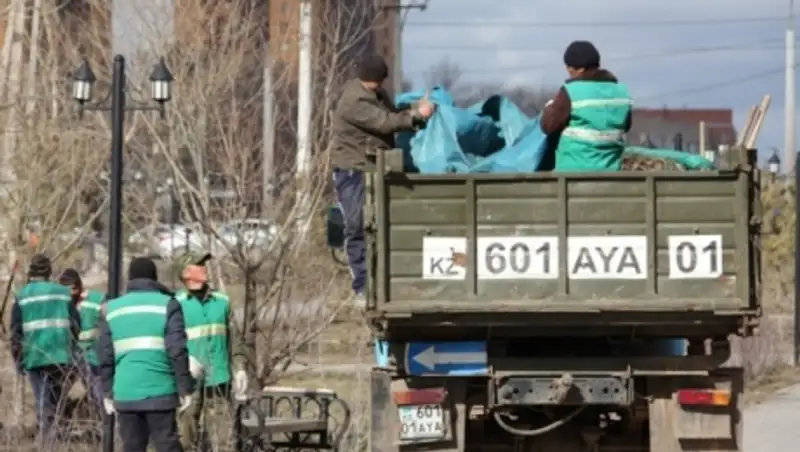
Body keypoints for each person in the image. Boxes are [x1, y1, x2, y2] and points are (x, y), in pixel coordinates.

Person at [332, 54, 436, 300]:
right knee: (357, 225)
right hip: (354, 170)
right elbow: (384, 123)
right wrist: (418, 115)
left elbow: (391, 113)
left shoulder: (374, 95)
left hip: (374, 168)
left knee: (382, 227)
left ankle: (383, 281)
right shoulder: (354, 101)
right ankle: (362, 286)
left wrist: (413, 110)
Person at [96, 257, 194, 452]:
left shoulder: (112, 309)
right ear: (154, 278)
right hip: (161, 392)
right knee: (167, 445)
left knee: (132, 447)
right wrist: (184, 388)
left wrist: (107, 392)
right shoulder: (168, 304)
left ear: (129, 279)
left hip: (125, 393)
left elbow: (105, 355)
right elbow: (177, 350)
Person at [175, 254, 247, 450]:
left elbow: (236, 339)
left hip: (220, 378)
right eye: (198, 265)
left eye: (204, 264)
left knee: (225, 439)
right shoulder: (176, 304)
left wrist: (240, 367)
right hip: (190, 381)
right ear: (185, 273)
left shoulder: (222, 301)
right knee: (186, 436)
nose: (204, 268)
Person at [10, 254, 79, 442]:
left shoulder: (22, 296)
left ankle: (48, 440)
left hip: (34, 356)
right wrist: (71, 350)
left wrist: (18, 361)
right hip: (60, 355)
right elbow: (76, 325)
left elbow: (15, 332)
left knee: (42, 399)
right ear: (49, 272)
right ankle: (53, 437)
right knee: (55, 401)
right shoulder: (63, 293)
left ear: (31, 272)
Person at [540, 40, 633, 171]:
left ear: (580, 70)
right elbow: (626, 126)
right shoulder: (622, 92)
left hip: (572, 172)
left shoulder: (571, 91)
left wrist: (549, 107)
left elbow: (548, 126)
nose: (568, 74)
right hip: (611, 171)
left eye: (569, 70)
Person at [58, 268, 105, 413]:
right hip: (70, 356)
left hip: (93, 356)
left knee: (98, 392)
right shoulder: (61, 303)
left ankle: (104, 423)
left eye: (73, 289)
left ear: (79, 286)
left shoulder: (97, 299)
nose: (70, 294)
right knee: (58, 393)